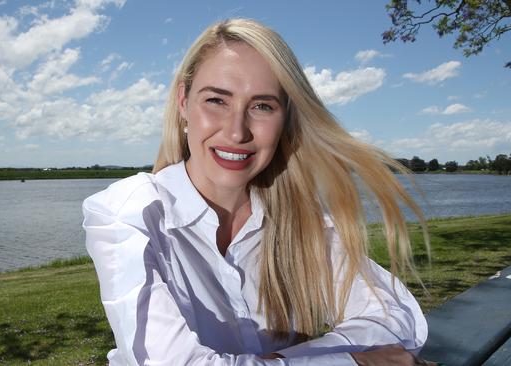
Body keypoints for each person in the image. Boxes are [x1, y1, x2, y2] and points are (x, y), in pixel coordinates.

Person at [83, 18, 433, 366]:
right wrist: (355, 361)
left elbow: (398, 322)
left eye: (262, 106)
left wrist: (279, 358)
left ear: (285, 121)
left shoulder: (301, 224)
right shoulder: (129, 214)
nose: (237, 132)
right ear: (183, 103)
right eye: (217, 100)